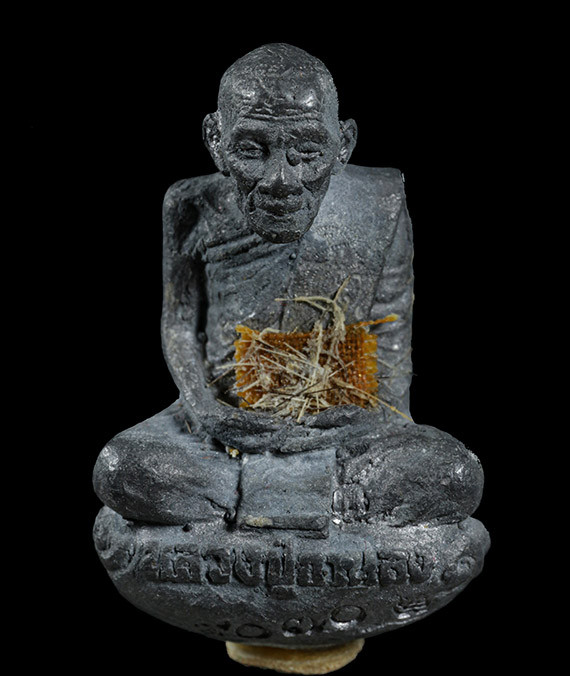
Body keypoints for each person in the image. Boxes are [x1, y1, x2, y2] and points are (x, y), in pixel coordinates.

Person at [94, 44, 483, 533]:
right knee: (120, 469)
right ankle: (322, 504)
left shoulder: (380, 201)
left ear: (344, 145)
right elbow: (179, 321)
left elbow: (391, 328)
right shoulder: (191, 204)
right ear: (215, 140)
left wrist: (378, 418)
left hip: (344, 429)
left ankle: (257, 501)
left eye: (306, 152)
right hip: (228, 427)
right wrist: (208, 412)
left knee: (455, 475)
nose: (281, 179)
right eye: (251, 150)